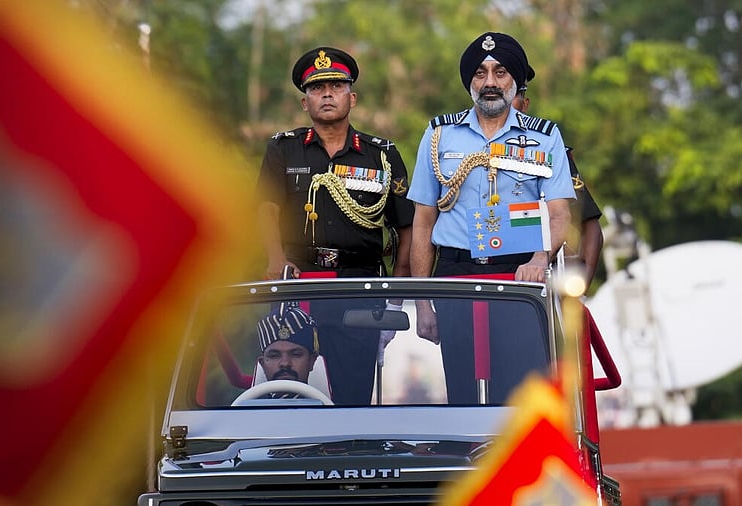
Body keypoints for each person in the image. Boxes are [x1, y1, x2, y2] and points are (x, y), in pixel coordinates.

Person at [407, 32, 576, 403]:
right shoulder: (439, 135)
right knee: (462, 394)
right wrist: (422, 302)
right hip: (456, 275)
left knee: (520, 392)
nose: (490, 83)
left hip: (517, 275)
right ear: (470, 82)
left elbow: (560, 214)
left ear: (514, 81)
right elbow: (422, 222)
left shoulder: (544, 137)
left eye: (500, 73)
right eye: (480, 74)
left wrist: (539, 259)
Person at [256, 47, 414, 404]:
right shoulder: (283, 149)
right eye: (317, 88)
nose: (327, 93)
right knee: (287, 392)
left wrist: (396, 296)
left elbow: (406, 227)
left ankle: (348, 457)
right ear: (304, 102)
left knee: (353, 395)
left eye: (336, 86)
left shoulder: (381, 155)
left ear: (352, 97)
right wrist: (275, 258)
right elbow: (266, 209)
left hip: (357, 288)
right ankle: (289, 458)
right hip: (296, 286)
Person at [512, 68, 604, 291]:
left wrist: (578, 295)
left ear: (525, 105)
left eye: (514, 96)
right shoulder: (472, 152)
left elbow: (592, 229)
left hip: (540, 285)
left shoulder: (551, 154)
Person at [255, 304, 320, 397]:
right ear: (262, 364)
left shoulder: (332, 410)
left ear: (311, 361)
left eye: (296, 354)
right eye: (274, 356)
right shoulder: (244, 409)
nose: (285, 363)